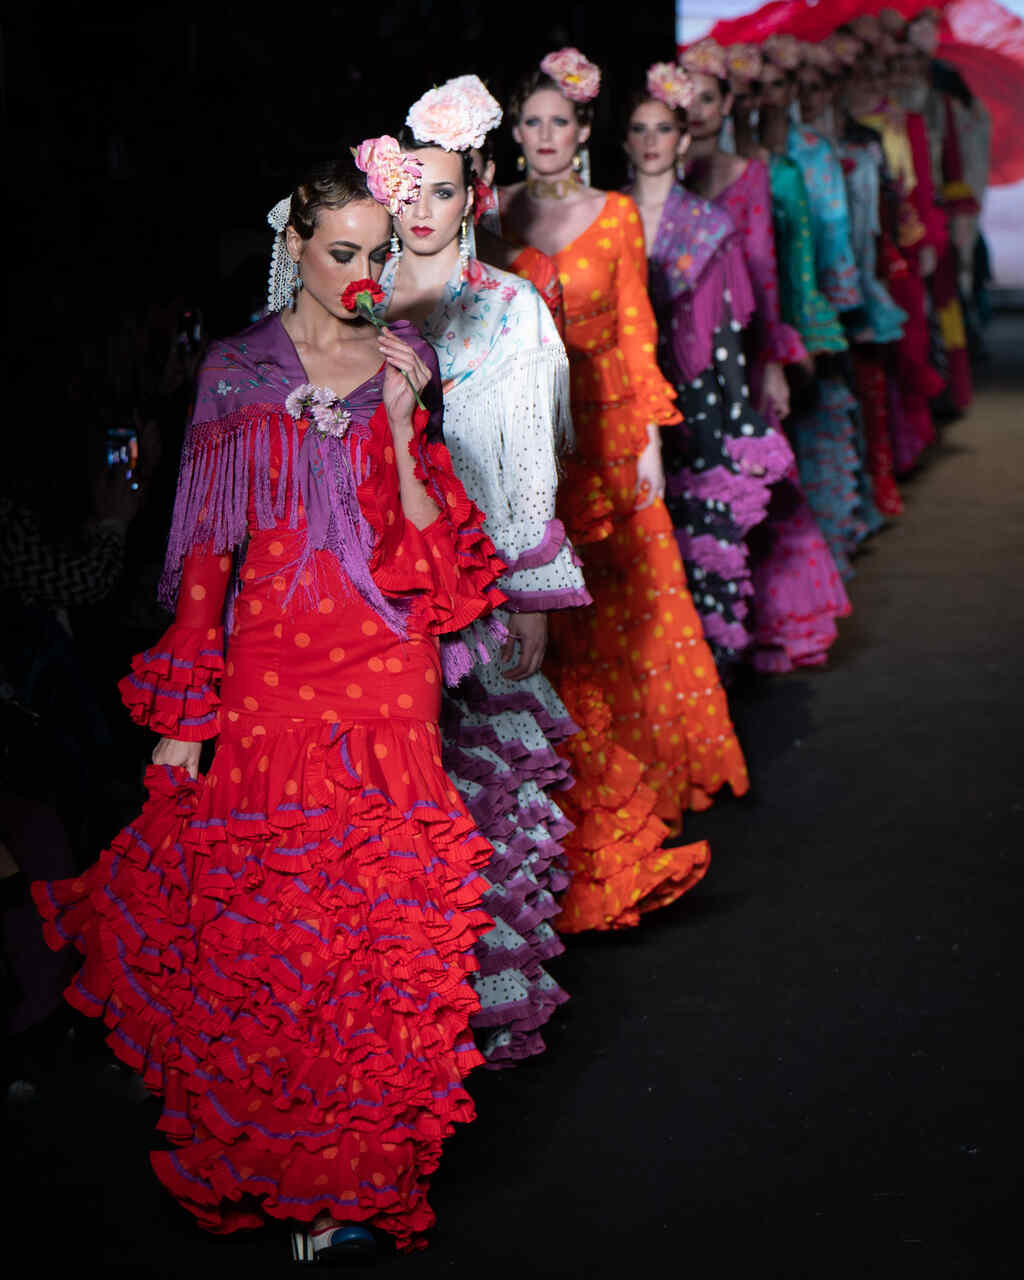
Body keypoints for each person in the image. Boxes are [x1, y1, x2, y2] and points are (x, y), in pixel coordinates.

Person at [33, 149, 508, 1262]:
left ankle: (361, 1167)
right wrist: (185, 710)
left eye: (378, 254)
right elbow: (206, 554)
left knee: (380, 924)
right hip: (272, 673)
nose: (362, 272)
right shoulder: (236, 370)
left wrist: (398, 420)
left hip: (385, 666)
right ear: (292, 247)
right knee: (274, 925)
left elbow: (434, 568)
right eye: (342, 252)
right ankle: (286, 1155)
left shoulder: (407, 356)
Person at [500, 46, 738, 929]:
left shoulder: (614, 216)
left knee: (622, 615)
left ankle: (633, 784)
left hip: (603, 434)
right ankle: (551, 808)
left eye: (561, 121)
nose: (548, 135)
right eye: (533, 122)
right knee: (551, 630)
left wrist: (648, 453)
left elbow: (638, 332)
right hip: (524, 443)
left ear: (583, 130)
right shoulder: (490, 218)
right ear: (517, 133)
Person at [379, 74, 588, 1063]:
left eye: (443, 191)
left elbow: (530, 464)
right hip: (367, 594)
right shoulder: (345, 295)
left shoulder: (511, 309)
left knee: (478, 788)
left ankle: (470, 1014)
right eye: (405, 189)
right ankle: (393, 1014)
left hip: (479, 591)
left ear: (477, 195)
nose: (421, 209)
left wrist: (529, 595)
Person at [683, 40, 851, 671]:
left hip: (744, 349)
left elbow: (767, 273)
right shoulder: (655, 179)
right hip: (679, 356)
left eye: (707, 98)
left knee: (759, 488)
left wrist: (775, 360)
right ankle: (711, 629)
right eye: (685, 101)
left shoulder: (752, 174)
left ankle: (771, 623)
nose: (696, 111)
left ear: (727, 103)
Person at [626, 64, 794, 678]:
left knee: (700, 539)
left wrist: (737, 418)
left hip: (692, 398)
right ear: (623, 140)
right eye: (639, 129)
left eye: (663, 128)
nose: (651, 141)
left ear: (682, 140)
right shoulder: (606, 219)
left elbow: (725, 336)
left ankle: (708, 685)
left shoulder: (710, 226)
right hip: (620, 402)